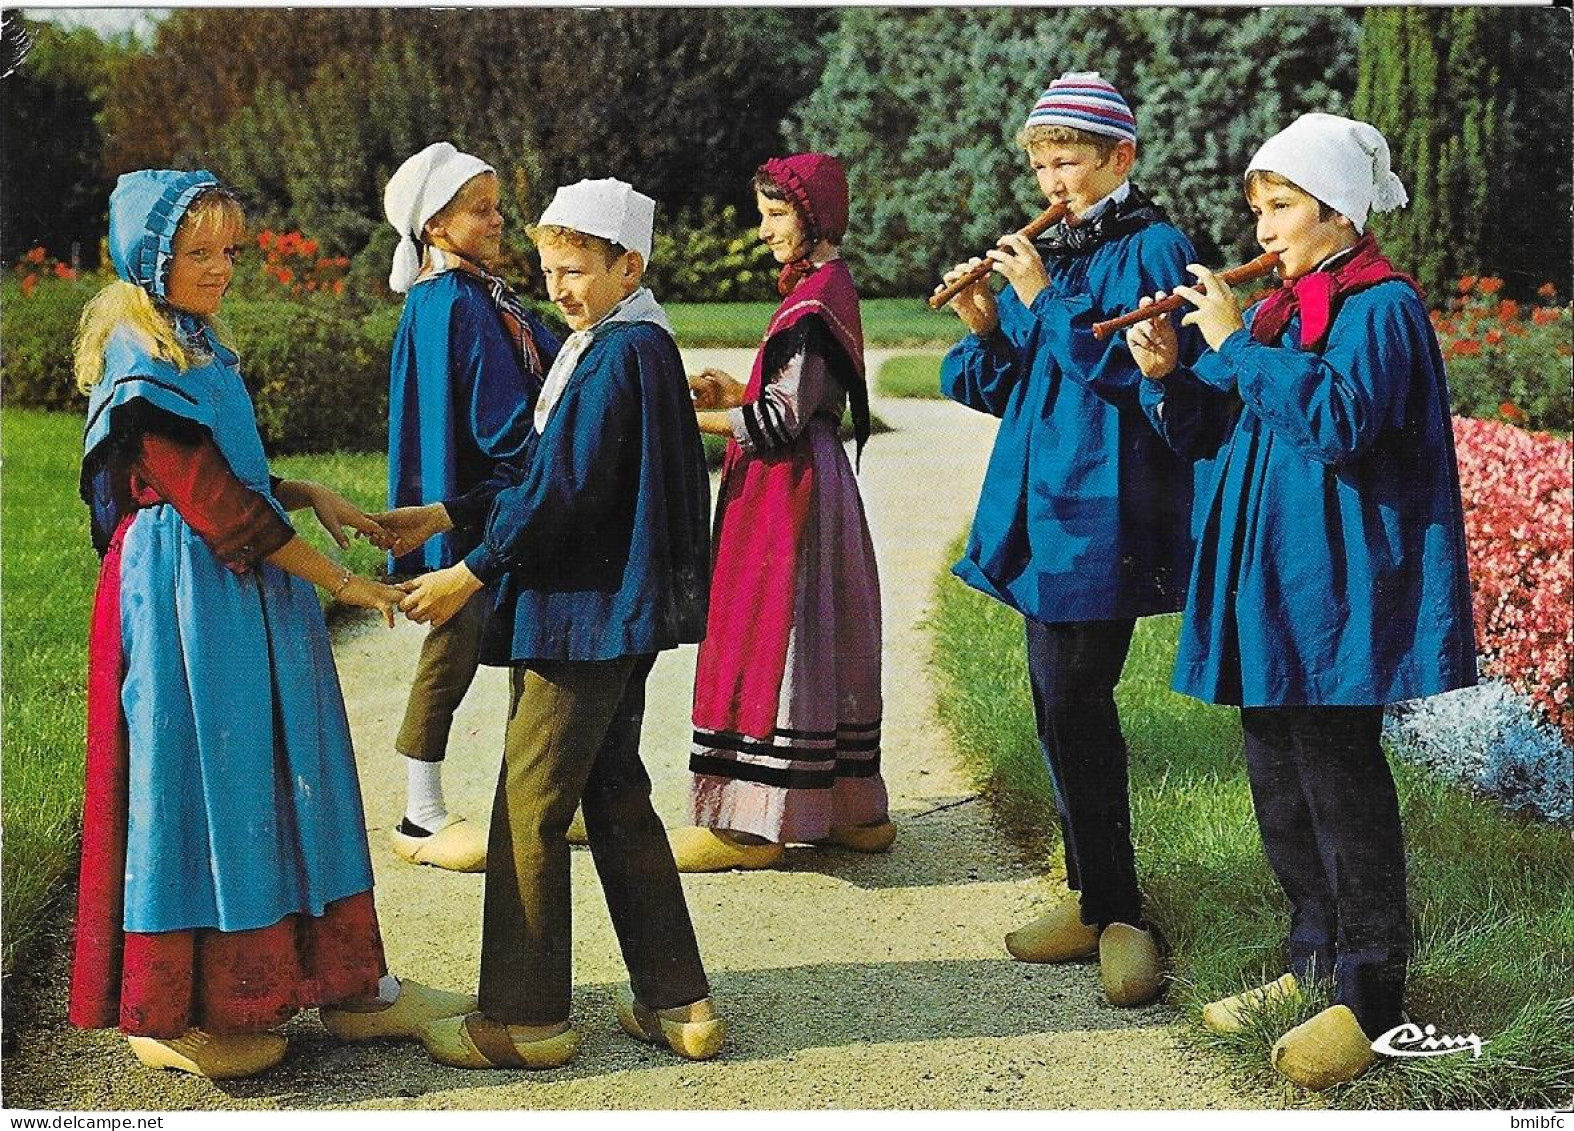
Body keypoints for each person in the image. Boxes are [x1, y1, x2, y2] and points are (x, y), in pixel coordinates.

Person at [70, 170, 474, 1080]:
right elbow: (220, 510)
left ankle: (346, 988)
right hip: (184, 606)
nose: (216, 269)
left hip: (239, 596)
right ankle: (173, 1011)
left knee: (280, 776)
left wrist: (309, 490)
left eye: (226, 252)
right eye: (196, 252)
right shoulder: (142, 368)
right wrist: (349, 586)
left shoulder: (197, 342)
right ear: (151, 255)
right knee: (202, 782)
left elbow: (245, 480)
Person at [1126, 113, 1477, 1090]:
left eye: (1280, 208)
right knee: (1276, 780)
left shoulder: (1379, 306)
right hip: (1270, 583)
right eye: (1259, 211)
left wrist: (1231, 343)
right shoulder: (1282, 311)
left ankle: (1370, 1001)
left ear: (1338, 211)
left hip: (1337, 591)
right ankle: (1310, 964)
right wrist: (1167, 379)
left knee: (1339, 783)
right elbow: (1213, 434)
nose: (1262, 232)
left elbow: (1336, 422)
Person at [385, 178, 723, 1069]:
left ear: (629, 265)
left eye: (576, 269)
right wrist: (447, 512)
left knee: (526, 808)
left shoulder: (617, 355)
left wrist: (469, 569)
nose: (560, 286)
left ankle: (524, 1017)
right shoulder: (621, 343)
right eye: (549, 269)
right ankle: (679, 1000)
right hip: (611, 613)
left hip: (581, 617)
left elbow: (559, 495)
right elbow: (545, 468)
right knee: (612, 795)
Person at [933, 72, 1197, 1007]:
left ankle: (1124, 909)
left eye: (1070, 163)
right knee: (1054, 701)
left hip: (1105, 507)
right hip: (1045, 502)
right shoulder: (1066, 244)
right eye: (1042, 165)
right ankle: (1094, 898)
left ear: (1121, 158)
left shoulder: (1153, 245)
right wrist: (984, 324)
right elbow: (1003, 384)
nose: (1053, 184)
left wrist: (1040, 296)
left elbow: (1133, 378)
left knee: (1079, 699)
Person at [668, 153, 889, 873]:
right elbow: (801, 397)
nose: (763, 231)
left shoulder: (811, 303)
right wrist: (734, 387)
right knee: (820, 635)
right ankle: (845, 806)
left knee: (779, 633)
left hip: (789, 494)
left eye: (776, 214)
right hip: (814, 484)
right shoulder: (827, 288)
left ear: (814, 217)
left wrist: (674, 414)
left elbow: (779, 418)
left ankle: (757, 823)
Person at [380, 142, 561, 873]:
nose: (497, 220)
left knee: (529, 632)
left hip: (483, 494)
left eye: (495, 204)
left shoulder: (477, 293)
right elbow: (500, 417)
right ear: (434, 223)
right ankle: (420, 810)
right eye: (479, 209)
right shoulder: (453, 301)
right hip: (481, 498)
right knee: (455, 642)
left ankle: (547, 790)